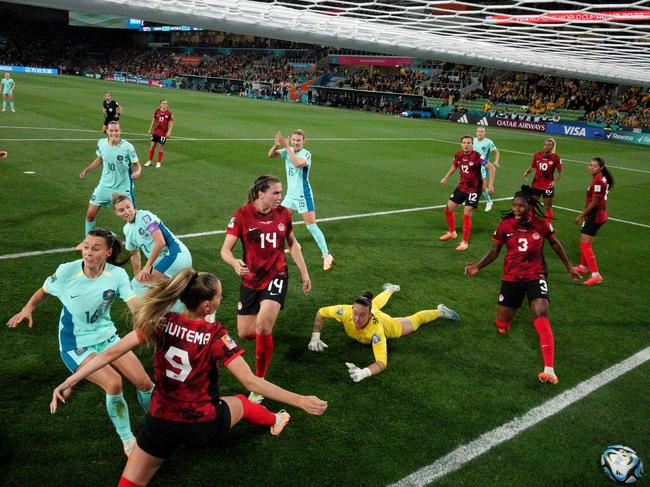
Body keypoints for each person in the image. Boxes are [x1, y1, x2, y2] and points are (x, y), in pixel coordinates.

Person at [50, 269, 328, 487]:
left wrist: (69, 381)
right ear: (207, 306)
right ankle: (276, 420)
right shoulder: (217, 336)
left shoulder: (161, 322)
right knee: (242, 403)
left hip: (160, 422)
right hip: (201, 424)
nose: (221, 299)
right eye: (219, 296)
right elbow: (253, 383)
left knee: (130, 482)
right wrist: (300, 400)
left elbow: (109, 354)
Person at [7, 228, 154, 456]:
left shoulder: (116, 275)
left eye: (95, 248)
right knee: (114, 383)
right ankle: (128, 440)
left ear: (107, 252)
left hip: (106, 336)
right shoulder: (67, 271)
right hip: (75, 343)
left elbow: (133, 303)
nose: (88, 252)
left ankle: (157, 422)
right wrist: (28, 308)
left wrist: (145, 320)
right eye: (86, 246)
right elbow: (44, 290)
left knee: (144, 382)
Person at [464, 186, 581, 384]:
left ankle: (549, 369)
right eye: (514, 206)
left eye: (521, 206)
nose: (516, 209)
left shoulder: (541, 224)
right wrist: (478, 266)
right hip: (511, 277)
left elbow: (554, 243)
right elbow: (494, 251)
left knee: (541, 312)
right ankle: (507, 318)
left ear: (531, 207)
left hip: (535, 275)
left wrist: (569, 266)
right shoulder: (505, 225)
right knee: (502, 325)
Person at [221, 175, 311, 403]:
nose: (280, 197)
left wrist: (304, 272)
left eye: (280, 192)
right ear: (261, 193)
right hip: (251, 279)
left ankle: (259, 383)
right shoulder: (241, 215)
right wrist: (234, 263)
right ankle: (266, 330)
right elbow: (225, 250)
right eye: (276, 193)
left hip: (277, 275)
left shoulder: (284, 215)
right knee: (245, 332)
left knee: (262, 325)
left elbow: (292, 244)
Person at [308, 283, 460, 382]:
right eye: (355, 313)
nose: (357, 318)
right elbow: (321, 312)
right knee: (373, 304)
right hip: (371, 309)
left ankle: (439, 311)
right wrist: (315, 336)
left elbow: (382, 362)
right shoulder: (345, 311)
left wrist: (364, 372)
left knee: (414, 322)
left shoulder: (377, 330)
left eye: (362, 315)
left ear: (369, 315)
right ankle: (390, 289)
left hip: (388, 324)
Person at [268, 130, 334, 271]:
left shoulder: (306, 154)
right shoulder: (288, 150)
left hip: (303, 195)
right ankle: (295, 245)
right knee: (279, 219)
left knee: (311, 225)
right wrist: (275, 145)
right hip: (290, 196)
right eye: (293, 139)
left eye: (298, 140)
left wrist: (286, 148)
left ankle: (327, 255)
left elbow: (298, 163)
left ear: (304, 141)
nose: (295, 142)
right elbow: (271, 155)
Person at [111, 193, 192, 296]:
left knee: (138, 286)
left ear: (133, 205)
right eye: (121, 210)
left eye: (128, 207)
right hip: (165, 260)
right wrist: (138, 275)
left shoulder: (145, 217)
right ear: (116, 213)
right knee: (141, 285)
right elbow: (134, 254)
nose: (127, 211)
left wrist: (147, 266)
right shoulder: (127, 230)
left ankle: (153, 311)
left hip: (176, 256)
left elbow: (160, 242)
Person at [79, 121, 142, 240]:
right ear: (107, 131)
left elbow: (137, 165)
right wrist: (86, 170)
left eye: (116, 131)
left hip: (123, 187)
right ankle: (88, 241)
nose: (114, 133)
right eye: (111, 131)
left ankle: (137, 242)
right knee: (90, 214)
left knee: (132, 217)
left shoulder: (127, 147)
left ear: (120, 131)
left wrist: (138, 172)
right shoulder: (101, 143)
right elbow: (99, 159)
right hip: (104, 186)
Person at [439, 135, 495, 251]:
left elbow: (491, 168)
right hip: (461, 187)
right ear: (461, 144)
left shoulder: (478, 156)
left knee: (466, 215)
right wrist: (445, 177)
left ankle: (464, 242)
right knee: (448, 209)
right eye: (464, 142)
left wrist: (490, 185)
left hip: (474, 189)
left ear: (472, 144)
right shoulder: (458, 155)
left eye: (468, 142)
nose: (466, 144)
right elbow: (455, 166)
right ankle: (452, 232)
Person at [573, 157, 614, 286]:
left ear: (601, 167)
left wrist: (581, 215)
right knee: (585, 242)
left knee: (585, 245)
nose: (591, 167)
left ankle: (596, 275)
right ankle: (583, 266)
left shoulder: (598, 181)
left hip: (595, 216)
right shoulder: (600, 178)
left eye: (595, 166)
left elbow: (595, 202)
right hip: (598, 215)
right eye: (590, 165)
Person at [523, 138, 563, 220]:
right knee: (531, 204)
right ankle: (530, 220)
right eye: (545, 144)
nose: (547, 147)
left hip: (548, 185)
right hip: (536, 184)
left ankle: (548, 224)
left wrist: (555, 181)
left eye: (549, 145)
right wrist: (526, 172)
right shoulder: (537, 155)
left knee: (547, 206)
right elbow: (533, 167)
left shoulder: (556, 157)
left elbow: (560, 172)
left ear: (552, 147)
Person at [473, 126, 501, 212]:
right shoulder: (472, 140)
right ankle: (470, 198)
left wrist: (496, 161)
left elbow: (496, 152)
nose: (480, 133)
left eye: (482, 131)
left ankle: (489, 201)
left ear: (484, 133)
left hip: (483, 166)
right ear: (476, 132)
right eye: (478, 131)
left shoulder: (488, 142)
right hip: (473, 165)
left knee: (482, 186)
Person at [146, 99, 173, 168]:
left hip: (163, 133)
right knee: (152, 146)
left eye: (166, 103)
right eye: (163, 103)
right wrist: (150, 129)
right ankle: (150, 161)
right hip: (155, 132)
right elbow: (154, 120)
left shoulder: (169, 113)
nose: (164, 105)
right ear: (160, 104)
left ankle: (158, 162)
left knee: (160, 147)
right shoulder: (157, 111)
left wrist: (169, 132)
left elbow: (171, 123)